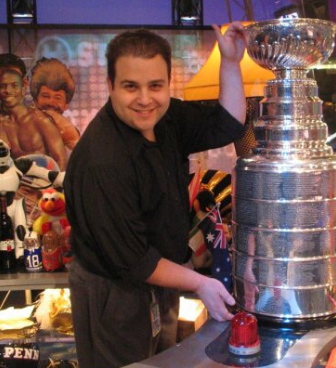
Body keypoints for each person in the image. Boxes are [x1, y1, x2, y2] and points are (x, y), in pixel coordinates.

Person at [64, 22, 246, 368]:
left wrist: (230, 63)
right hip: (114, 293)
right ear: (110, 86)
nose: (145, 100)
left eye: (155, 86)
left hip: (161, 280)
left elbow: (228, 124)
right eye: (131, 86)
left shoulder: (167, 117)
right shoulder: (102, 160)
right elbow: (134, 261)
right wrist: (200, 284)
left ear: (167, 83)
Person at [0, 68, 67, 170]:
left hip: (44, 181)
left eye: (14, 86)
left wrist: (54, 185)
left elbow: (61, 159)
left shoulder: (39, 119)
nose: (8, 91)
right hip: (15, 183)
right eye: (3, 86)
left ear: (23, 88)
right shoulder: (2, 125)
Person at [30, 57, 80, 150]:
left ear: (66, 105)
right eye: (45, 96)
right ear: (35, 100)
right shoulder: (20, 126)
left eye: (57, 97)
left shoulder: (69, 132)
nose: (51, 102)